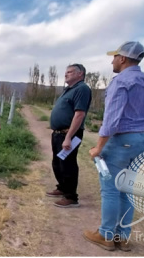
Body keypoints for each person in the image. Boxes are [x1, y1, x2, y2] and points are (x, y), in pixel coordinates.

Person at [84, 41, 144, 252]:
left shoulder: (120, 82)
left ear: (123, 59)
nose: (112, 60)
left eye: (114, 57)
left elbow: (111, 119)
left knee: (110, 190)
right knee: (127, 191)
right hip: (142, 139)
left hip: (121, 141)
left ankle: (105, 235)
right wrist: (140, 135)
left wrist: (98, 147)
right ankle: (123, 236)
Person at [46, 64, 92, 208]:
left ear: (80, 74)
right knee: (58, 162)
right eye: (66, 72)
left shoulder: (82, 89)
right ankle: (62, 188)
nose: (66, 74)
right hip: (59, 133)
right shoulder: (69, 90)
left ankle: (71, 197)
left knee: (67, 164)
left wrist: (68, 137)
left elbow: (79, 114)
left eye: (70, 72)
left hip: (70, 134)